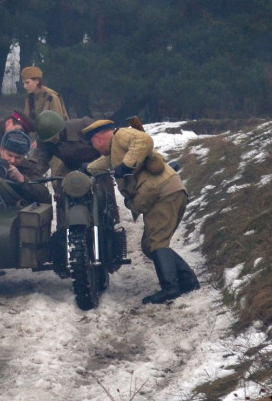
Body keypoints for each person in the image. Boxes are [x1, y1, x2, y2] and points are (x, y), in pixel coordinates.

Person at [83, 119, 200, 304]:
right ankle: (188, 280)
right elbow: (106, 163)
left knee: (156, 242)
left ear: (98, 138)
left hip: (163, 193)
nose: (95, 148)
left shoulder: (121, 135)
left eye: (92, 143)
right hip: (163, 193)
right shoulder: (115, 150)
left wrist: (127, 165)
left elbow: (144, 140)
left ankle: (171, 289)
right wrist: (87, 170)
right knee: (149, 245)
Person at [28, 110, 102, 229]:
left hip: (96, 163)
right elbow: (40, 159)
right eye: (49, 139)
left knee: (102, 190)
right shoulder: (45, 140)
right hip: (70, 166)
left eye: (54, 136)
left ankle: (108, 218)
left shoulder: (84, 125)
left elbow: (104, 141)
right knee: (61, 187)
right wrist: (33, 175)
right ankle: (63, 226)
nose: (53, 140)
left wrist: (105, 163)